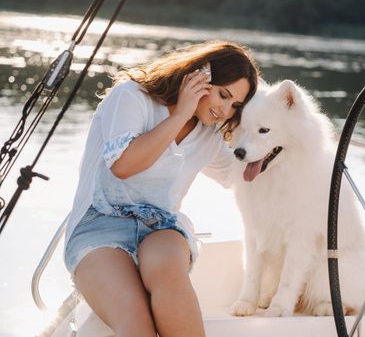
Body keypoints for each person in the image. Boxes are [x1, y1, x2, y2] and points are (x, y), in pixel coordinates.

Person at [63, 40, 259, 336]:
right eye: (223, 95)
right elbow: (124, 165)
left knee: (170, 277)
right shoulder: (131, 96)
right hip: (98, 227)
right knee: (136, 320)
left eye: (235, 106)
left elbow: (244, 179)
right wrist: (180, 114)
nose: (225, 110)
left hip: (161, 229)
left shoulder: (207, 138)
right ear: (198, 78)